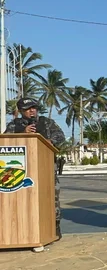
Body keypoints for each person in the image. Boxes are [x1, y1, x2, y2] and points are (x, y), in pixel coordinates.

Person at [4, 97, 66, 243]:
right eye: (28, 109)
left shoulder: (46, 122)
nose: (32, 111)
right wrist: (22, 133)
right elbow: (6, 140)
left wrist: (50, 142)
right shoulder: (14, 125)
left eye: (34, 108)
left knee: (52, 197)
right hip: (23, 172)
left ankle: (54, 226)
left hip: (46, 169)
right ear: (20, 111)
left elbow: (60, 136)